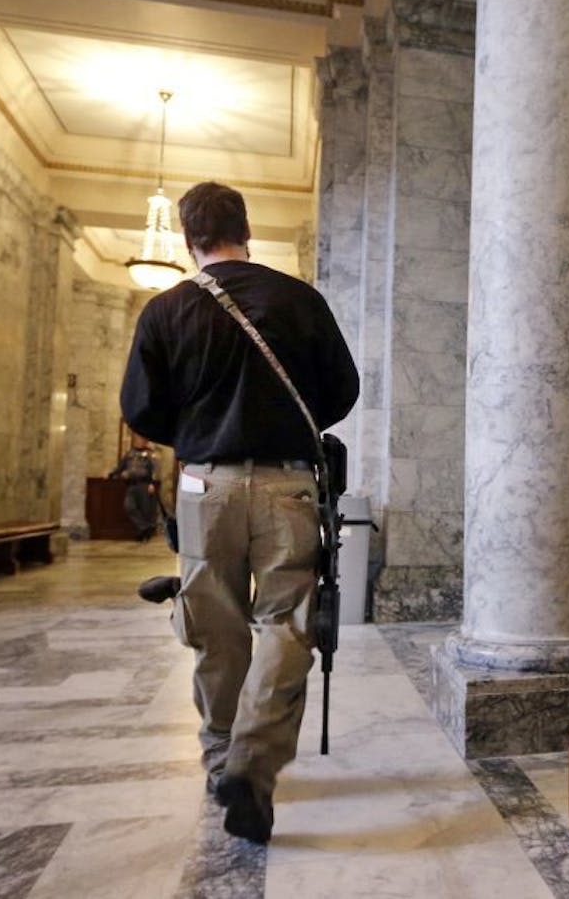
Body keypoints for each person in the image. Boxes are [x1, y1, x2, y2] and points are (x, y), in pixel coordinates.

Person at [119, 181, 359, 843]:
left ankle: (222, 757)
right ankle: (253, 766)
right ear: (245, 230)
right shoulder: (298, 298)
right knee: (288, 622)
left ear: (189, 237)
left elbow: (140, 407)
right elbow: (344, 389)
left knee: (212, 621)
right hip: (289, 485)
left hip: (204, 486)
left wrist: (201, 432)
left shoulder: (166, 310)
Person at [108, 434, 159, 541]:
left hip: (144, 485)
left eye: (143, 439)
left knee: (145, 510)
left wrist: (152, 484)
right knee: (129, 506)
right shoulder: (130, 453)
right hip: (131, 484)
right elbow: (120, 466)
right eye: (139, 439)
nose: (140, 441)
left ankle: (144, 534)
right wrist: (111, 474)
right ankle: (144, 527)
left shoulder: (150, 454)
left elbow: (154, 470)